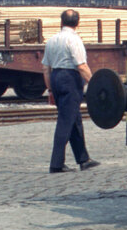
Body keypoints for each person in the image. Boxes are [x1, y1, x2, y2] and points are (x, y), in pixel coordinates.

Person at [42, 9, 99, 173]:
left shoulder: (52, 40)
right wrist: (94, 84)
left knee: (74, 119)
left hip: (56, 77)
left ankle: (83, 159)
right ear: (77, 23)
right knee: (65, 121)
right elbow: (81, 66)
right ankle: (56, 163)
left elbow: (46, 68)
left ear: (61, 22)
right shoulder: (74, 40)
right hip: (70, 79)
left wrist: (50, 90)